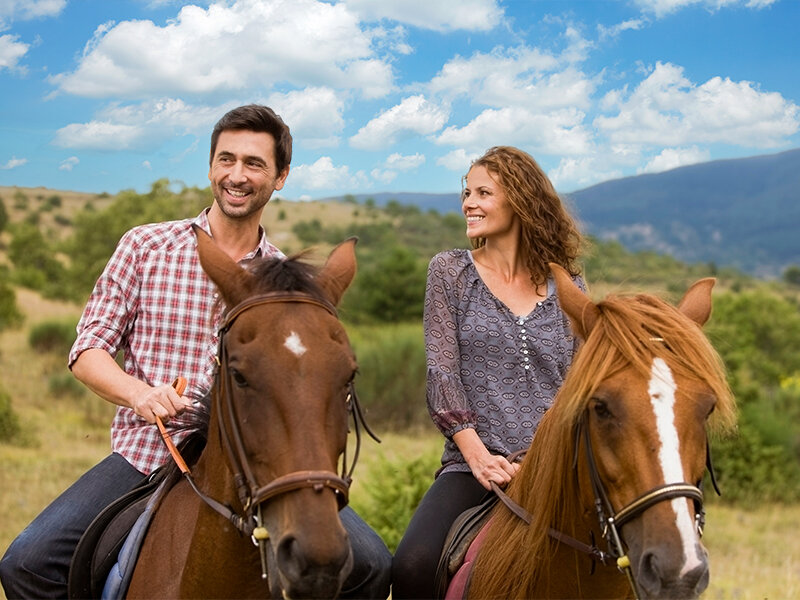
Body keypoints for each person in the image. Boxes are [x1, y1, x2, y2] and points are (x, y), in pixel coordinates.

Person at [0, 104, 391, 600]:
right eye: (226, 159)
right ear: (210, 168)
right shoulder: (145, 246)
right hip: (147, 455)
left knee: (373, 565)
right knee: (28, 564)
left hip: (259, 463)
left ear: (281, 177)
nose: (237, 175)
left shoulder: (283, 283)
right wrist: (138, 394)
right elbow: (89, 349)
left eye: (254, 164)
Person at [391, 146, 585, 599]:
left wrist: (548, 457)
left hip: (556, 466)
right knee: (412, 565)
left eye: (483, 193)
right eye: (466, 192)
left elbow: (579, 382)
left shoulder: (570, 286)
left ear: (519, 200)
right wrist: (478, 456)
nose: (468, 203)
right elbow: (443, 373)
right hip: (473, 465)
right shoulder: (450, 272)